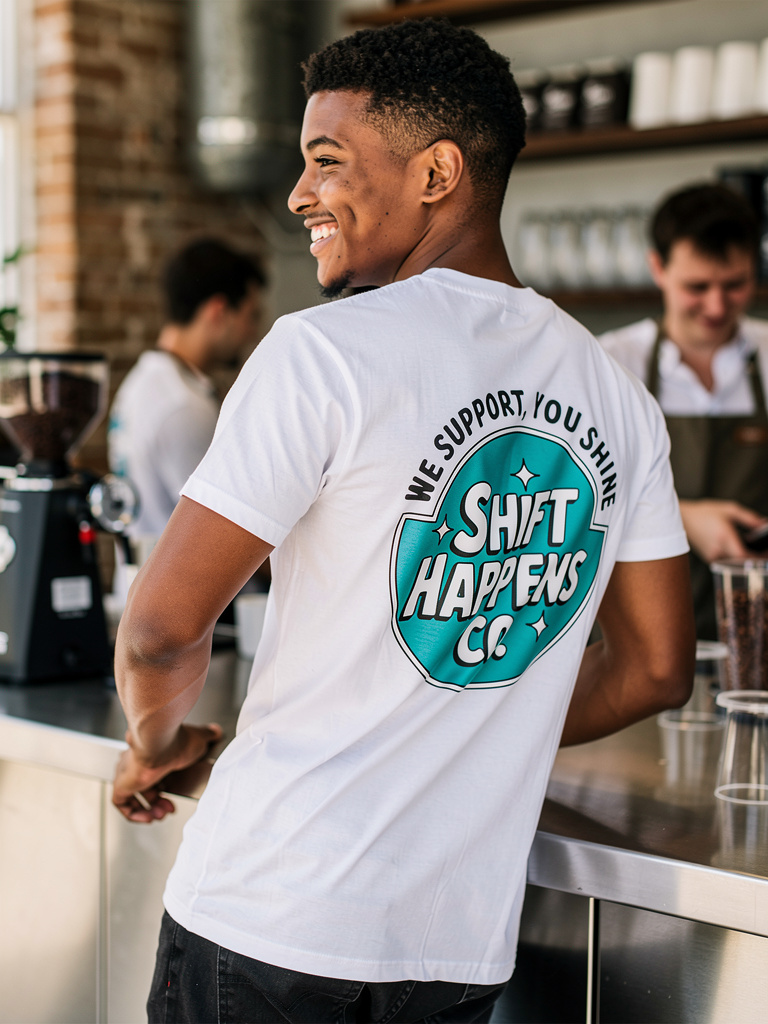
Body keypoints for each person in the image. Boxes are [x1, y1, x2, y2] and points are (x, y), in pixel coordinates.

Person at [111, 19, 695, 1024]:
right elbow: (654, 667)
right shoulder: (616, 394)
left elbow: (162, 629)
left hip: (268, 915)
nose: (298, 195)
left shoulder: (322, 355)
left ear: (437, 173)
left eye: (326, 161)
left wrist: (158, 741)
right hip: (452, 947)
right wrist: (476, 724)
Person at [599, 183, 768, 638]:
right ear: (658, 268)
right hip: (638, 634)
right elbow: (576, 501)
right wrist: (685, 515)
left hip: (756, 631)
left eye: (735, 284)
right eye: (698, 287)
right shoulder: (610, 363)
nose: (717, 306)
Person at [108, 237, 265, 539]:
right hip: (182, 584)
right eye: (251, 316)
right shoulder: (183, 404)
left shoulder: (143, 380)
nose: (253, 332)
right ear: (218, 311)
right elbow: (223, 536)